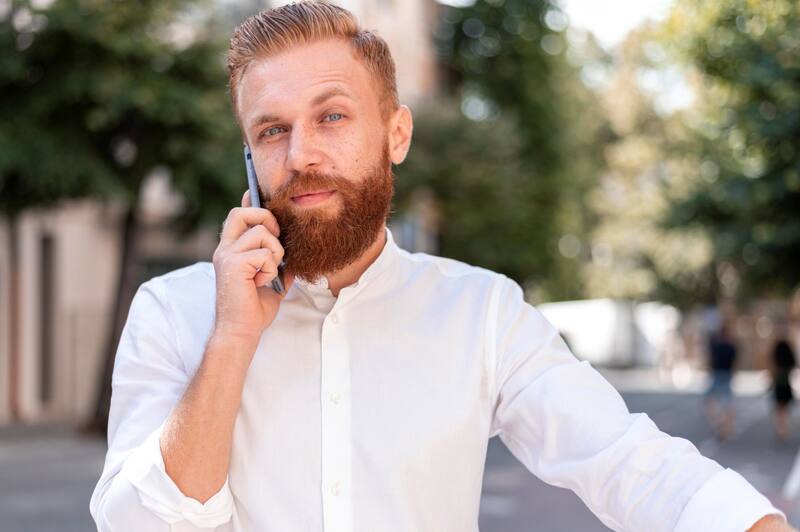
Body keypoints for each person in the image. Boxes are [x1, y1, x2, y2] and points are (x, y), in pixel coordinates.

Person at [89, 2, 794, 531]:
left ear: (396, 134)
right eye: (271, 130)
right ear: (249, 155)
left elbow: (624, 460)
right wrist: (232, 341)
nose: (300, 152)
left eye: (331, 116)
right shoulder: (172, 312)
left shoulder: (481, 313)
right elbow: (140, 524)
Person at [704, 322, 738, 440]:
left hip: (718, 375)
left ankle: (719, 422)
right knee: (727, 403)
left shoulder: (717, 345)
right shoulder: (731, 346)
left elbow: (711, 358)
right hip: (727, 375)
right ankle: (726, 426)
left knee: (710, 401)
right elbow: (734, 362)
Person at [771, 332, 797, 440]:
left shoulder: (776, 353)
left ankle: (781, 428)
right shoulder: (789, 356)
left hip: (778, 384)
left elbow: (771, 367)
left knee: (779, 408)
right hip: (786, 384)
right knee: (784, 408)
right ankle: (784, 428)